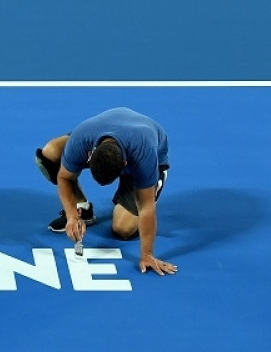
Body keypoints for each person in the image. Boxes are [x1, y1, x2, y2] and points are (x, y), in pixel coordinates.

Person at [34, 107, 177, 276]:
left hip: (146, 152)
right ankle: (83, 209)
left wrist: (147, 254)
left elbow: (146, 208)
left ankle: (154, 183)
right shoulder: (81, 140)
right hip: (107, 132)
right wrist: (72, 215)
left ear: (125, 165)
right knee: (51, 152)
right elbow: (64, 178)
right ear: (90, 154)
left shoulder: (144, 154)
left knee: (122, 229)